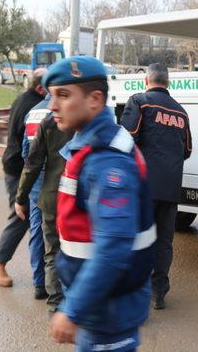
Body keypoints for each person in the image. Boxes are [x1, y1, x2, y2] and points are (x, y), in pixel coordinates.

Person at [45, 56, 156, 352]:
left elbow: (113, 249)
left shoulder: (106, 163)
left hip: (108, 312)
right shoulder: (94, 143)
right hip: (102, 306)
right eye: (52, 96)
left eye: (63, 95)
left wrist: (73, 310)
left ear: (95, 100)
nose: (52, 106)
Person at [120, 63, 192, 310]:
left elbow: (125, 140)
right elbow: (187, 150)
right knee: (164, 241)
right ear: (168, 82)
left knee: (139, 239)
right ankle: (158, 293)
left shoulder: (140, 101)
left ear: (146, 80)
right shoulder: (181, 113)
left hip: (143, 187)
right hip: (170, 188)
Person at [14, 94, 74, 311]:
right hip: (75, 198)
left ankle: (52, 300)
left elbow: (29, 159)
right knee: (75, 250)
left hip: (47, 193)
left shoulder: (42, 119)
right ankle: (74, 303)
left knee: (49, 248)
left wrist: (21, 197)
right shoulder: (85, 120)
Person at [0, 68, 47, 288]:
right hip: (18, 168)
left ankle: (44, 271)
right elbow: (31, 148)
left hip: (17, 164)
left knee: (36, 221)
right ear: (41, 88)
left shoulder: (25, 99)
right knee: (21, 216)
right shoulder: (33, 106)